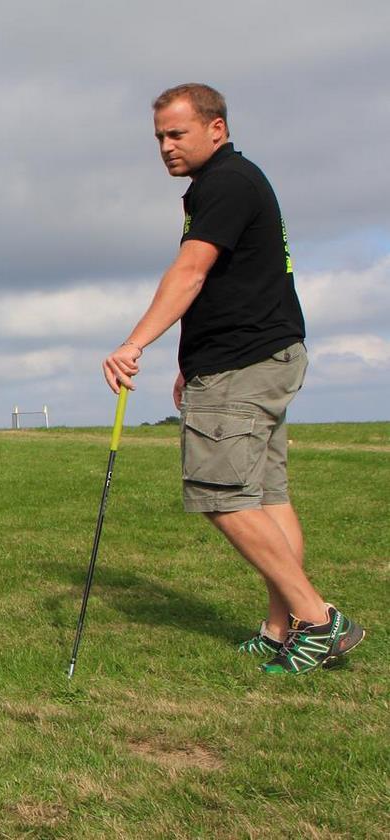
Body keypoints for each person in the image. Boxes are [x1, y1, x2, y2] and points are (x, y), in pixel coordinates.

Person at [101, 83, 363, 676]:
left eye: (177, 134)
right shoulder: (226, 183)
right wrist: (193, 359)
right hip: (256, 356)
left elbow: (191, 271)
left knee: (222, 497)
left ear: (216, 128)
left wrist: (134, 343)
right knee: (266, 497)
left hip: (245, 363)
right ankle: (282, 629)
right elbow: (228, 282)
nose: (166, 147)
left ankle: (319, 620)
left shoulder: (225, 183)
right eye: (159, 138)